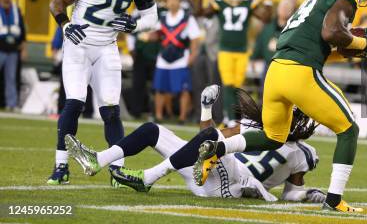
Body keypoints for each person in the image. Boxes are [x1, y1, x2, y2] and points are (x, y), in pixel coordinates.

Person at [195, 0, 367, 213]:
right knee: (348, 129)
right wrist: (362, 42)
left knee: (273, 136)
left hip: (277, 69)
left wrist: (353, 49)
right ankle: (335, 200)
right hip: (299, 72)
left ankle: (217, 148)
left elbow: (322, 43)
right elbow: (331, 32)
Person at [66, 85, 326, 203]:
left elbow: (290, 193)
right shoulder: (253, 127)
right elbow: (206, 137)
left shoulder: (303, 153)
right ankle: (98, 160)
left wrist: (308, 194)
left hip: (229, 186)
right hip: (201, 170)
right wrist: (205, 109)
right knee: (151, 130)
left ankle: (148, 177)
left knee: (213, 142)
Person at [47, 0, 158, 185]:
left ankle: (117, 171)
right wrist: (65, 26)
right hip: (79, 44)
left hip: (108, 45)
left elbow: (152, 18)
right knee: (74, 103)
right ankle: (60, 168)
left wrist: (135, 25)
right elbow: (57, 2)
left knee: (111, 110)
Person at [201, 0, 271, 125]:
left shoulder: (248, 3)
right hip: (225, 49)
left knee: (237, 86)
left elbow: (265, 18)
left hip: (242, 50)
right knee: (227, 84)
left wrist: (268, 3)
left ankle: (233, 117)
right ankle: (230, 117)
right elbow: (204, 12)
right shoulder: (221, 2)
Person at [152, 0, 201, 123]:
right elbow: (156, 35)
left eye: (175, 0)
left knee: (183, 90)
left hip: (181, 58)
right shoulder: (161, 18)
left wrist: (192, 55)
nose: (172, 3)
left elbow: (195, 39)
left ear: (179, 2)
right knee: (159, 88)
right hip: (163, 57)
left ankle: (182, 117)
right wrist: (148, 36)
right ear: (166, 3)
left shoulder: (187, 18)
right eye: (170, 0)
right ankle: (159, 115)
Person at [0, 0, 26, 111]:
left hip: (13, 49)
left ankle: (12, 103)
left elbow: (22, 29)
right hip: (0, 47)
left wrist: (23, 47)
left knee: (11, 78)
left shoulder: (16, 8)